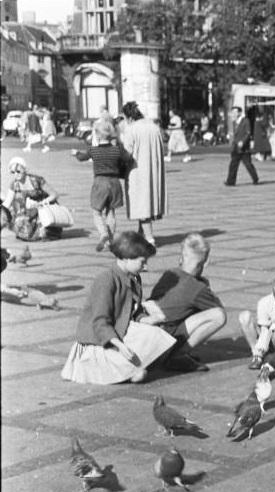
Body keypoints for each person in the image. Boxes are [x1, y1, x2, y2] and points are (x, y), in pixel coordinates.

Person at [61, 232, 175, 384]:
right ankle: (122, 369)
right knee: (139, 370)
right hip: (100, 341)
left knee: (158, 335)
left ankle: (130, 367)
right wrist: (120, 346)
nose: (146, 266)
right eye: (142, 262)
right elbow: (100, 322)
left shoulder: (133, 277)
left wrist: (146, 319)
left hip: (119, 329)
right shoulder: (106, 279)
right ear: (127, 259)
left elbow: (132, 309)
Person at [143, 233, 227, 372]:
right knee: (218, 315)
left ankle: (177, 352)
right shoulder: (198, 288)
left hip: (150, 335)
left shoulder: (170, 273)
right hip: (163, 343)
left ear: (181, 257)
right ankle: (178, 355)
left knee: (189, 308)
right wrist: (205, 286)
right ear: (205, 262)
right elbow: (217, 307)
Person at [71, 120, 131, 252]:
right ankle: (110, 239)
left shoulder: (94, 150)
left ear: (97, 135)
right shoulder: (117, 150)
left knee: (97, 212)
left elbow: (82, 157)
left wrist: (75, 153)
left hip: (100, 182)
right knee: (111, 212)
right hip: (115, 183)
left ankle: (103, 234)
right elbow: (128, 158)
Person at [120, 102, 167, 245]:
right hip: (153, 170)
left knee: (141, 204)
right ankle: (141, 234)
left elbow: (127, 153)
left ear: (129, 118)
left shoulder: (131, 129)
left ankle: (149, 238)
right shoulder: (154, 127)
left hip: (137, 171)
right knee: (148, 202)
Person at [2, 156, 65, 241]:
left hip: (43, 210)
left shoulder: (36, 180)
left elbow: (54, 195)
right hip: (28, 211)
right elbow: (7, 203)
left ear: (25, 169)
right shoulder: (14, 184)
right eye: (13, 172)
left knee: (43, 234)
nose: (16, 175)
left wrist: (43, 202)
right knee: (13, 215)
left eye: (18, 171)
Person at [225, 106, 259, 187]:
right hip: (235, 147)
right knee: (233, 164)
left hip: (244, 148)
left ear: (239, 113)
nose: (233, 114)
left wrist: (243, 142)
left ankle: (255, 178)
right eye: (232, 112)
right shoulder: (234, 122)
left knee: (248, 164)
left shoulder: (245, 121)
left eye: (235, 112)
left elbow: (248, 133)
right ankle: (230, 181)